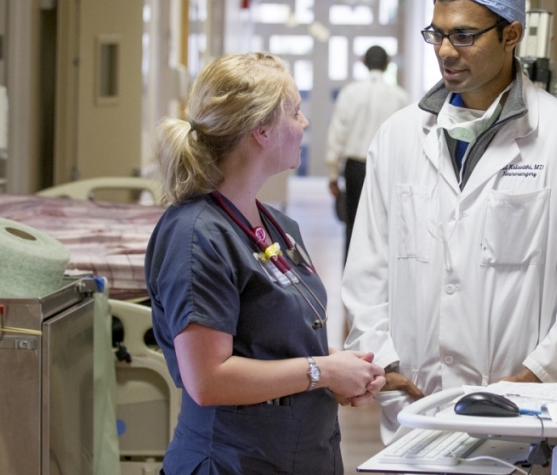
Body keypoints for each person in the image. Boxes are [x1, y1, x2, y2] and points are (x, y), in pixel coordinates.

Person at [341, 0, 557, 443]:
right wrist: (383, 364)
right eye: (436, 35)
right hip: (416, 414)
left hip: (521, 419)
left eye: (463, 36)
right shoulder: (398, 137)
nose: (445, 52)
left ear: (511, 35)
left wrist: (537, 377)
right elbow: (367, 271)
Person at [145, 53, 386, 475]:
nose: (305, 123)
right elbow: (208, 379)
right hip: (232, 461)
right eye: (294, 112)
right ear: (261, 130)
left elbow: (270, 338)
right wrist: (322, 370)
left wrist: (343, 371)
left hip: (299, 455)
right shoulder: (196, 235)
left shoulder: (274, 224)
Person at [326, 45, 410, 260]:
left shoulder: (349, 93)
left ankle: (350, 277)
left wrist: (333, 173)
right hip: (387, 167)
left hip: (354, 168)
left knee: (352, 224)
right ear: (387, 63)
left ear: (363, 62)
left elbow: (337, 133)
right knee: (384, 225)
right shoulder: (400, 96)